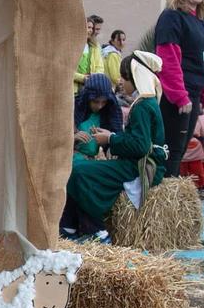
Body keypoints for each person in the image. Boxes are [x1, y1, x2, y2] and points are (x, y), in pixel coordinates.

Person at [62, 50, 169, 236]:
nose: (120, 81)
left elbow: (140, 146)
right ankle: (70, 224)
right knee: (77, 170)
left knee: (80, 173)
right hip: (136, 162)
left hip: (139, 167)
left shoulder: (142, 106)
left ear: (135, 77)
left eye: (124, 78)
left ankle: (97, 229)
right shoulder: (147, 102)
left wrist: (110, 138)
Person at [154, 0, 204, 178]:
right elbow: (168, 60)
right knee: (170, 151)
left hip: (194, 95)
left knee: (180, 150)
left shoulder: (202, 23)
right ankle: (162, 197)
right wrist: (179, 96)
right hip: (176, 98)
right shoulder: (171, 17)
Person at [74, 73, 124, 159]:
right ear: (87, 98)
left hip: (92, 160)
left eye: (104, 102)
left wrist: (107, 140)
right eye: (95, 101)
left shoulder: (110, 113)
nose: (99, 106)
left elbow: (117, 140)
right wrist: (73, 138)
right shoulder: (75, 109)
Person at [74, 15, 108, 90]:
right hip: (74, 89)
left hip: (90, 87)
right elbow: (67, 71)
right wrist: (82, 78)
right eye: (88, 27)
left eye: (92, 28)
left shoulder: (94, 46)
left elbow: (100, 67)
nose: (91, 30)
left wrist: (92, 77)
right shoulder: (72, 46)